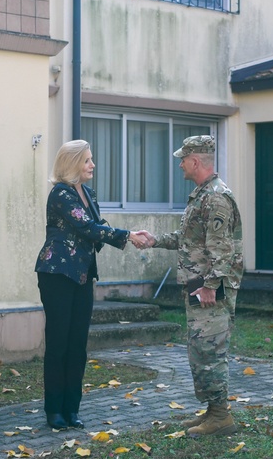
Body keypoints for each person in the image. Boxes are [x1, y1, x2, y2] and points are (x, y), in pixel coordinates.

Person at [35, 139, 149, 431]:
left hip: (83, 274)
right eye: (87, 160)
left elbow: (96, 225)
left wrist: (126, 233)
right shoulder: (60, 194)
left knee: (77, 345)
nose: (92, 165)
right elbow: (86, 227)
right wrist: (126, 236)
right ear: (72, 163)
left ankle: (72, 410)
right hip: (58, 275)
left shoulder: (88, 192)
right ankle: (54, 411)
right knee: (58, 343)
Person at [136, 135, 243, 437]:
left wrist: (210, 285)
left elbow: (222, 249)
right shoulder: (202, 194)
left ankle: (221, 416)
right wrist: (155, 240)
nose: (180, 163)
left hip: (210, 288)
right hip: (200, 284)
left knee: (210, 349)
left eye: (183, 158)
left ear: (196, 161)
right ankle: (213, 410)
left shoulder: (216, 197)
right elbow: (190, 239)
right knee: (200, 348)